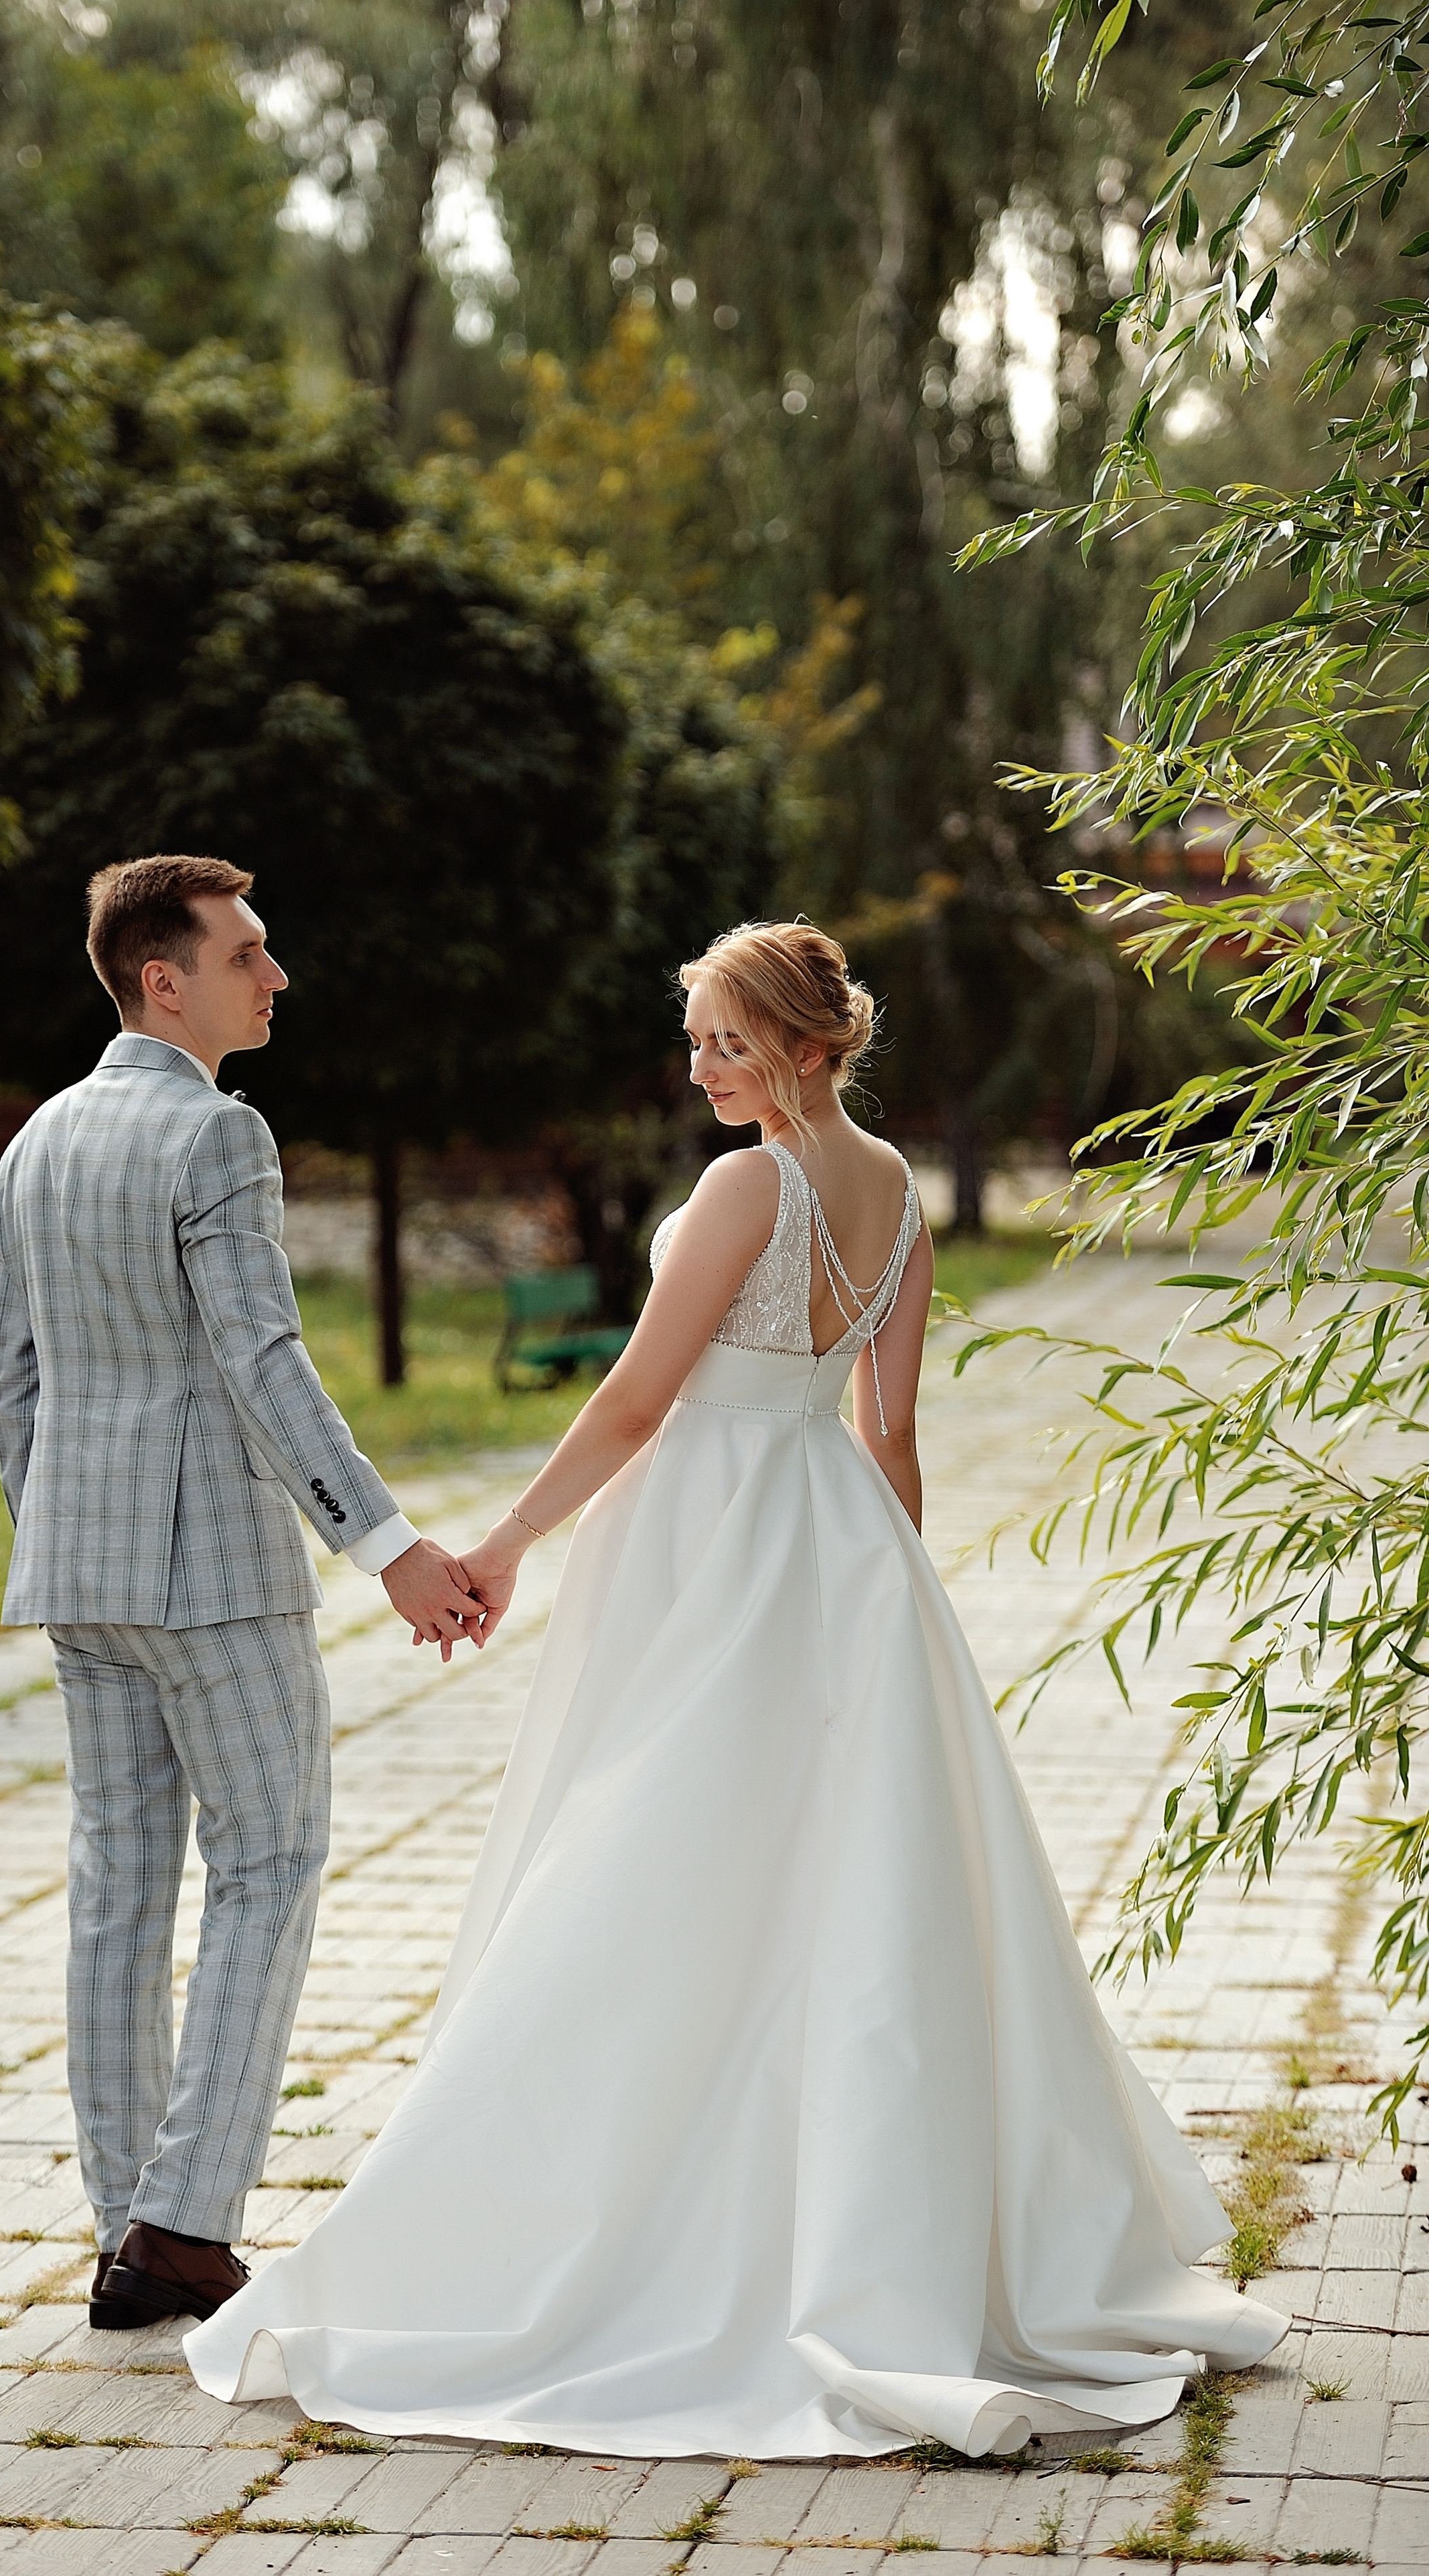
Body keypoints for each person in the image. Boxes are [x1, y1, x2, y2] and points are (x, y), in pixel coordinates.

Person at [184, 917, 1287, 2461]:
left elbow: (640, 1399)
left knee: (661, 1859)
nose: (699, 1064)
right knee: (827, 1878)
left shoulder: (748, 1184)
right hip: (833, 1539)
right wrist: (890, 1593)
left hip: (713, 1533)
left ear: (806, 1046)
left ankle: (647, 2219)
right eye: (696, 1035)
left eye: (725, 1040)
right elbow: (886, 1425)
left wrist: (499, 1543)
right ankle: (828, 2196)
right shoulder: (893, 1187)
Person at [0, 854, 489, 2335]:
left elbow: (11, 1381)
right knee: (268, 1865)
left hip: (78, 1570)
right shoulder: (216, 1134)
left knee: (117, 1888)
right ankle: (186, 2226)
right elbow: (263, 1360)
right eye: (248, 954)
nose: (274, 977)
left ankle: (121, 2225)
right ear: (164, 979)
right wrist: (387, 1544)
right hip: (209, 1575)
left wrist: (62, 1530)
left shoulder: (37, 1140)